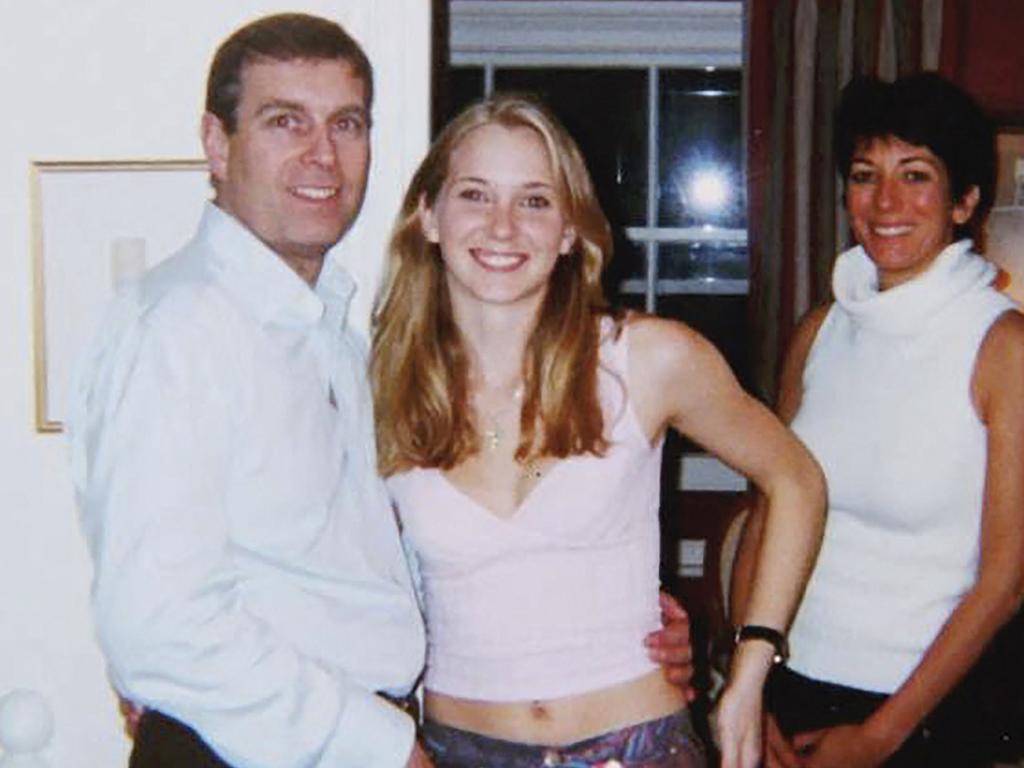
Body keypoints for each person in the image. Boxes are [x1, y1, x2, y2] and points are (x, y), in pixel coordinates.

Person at [67, 14, 694, 768]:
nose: (322, 154)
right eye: (284, 121)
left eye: (347, 124)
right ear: (216, 141)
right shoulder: (178, 328)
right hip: (258, 748)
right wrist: (378, 744)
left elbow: (366, 567)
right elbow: (159, 624)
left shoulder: (343, 337)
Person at [371, 94, 826, 768]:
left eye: (534, 201)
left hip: (639, 749)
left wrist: (751, 667)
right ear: (429, 217)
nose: (502, 226)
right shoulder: (378, 385)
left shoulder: (647, 359)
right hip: (455, 751)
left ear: (567, 232)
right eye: (475, 195)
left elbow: (796, 479)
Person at [731, 73, 1024, 768]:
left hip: (926, 714)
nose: (886, 202)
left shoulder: (1003, 349)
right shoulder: (820, 331)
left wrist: (880, 736)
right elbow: (767, 516)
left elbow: (1007, 578)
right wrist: (750, 681)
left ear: (965, 201)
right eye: (866, 175)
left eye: (915, 175)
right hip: (788, 690)